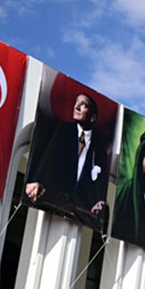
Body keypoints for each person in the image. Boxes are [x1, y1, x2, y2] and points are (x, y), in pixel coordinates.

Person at [24, 91, 108, 228]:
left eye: (83, 105)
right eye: (76, 102)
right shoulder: (61, 130)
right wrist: (34, 180)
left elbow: (100, 183)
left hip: (79, 212)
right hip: (49, 201)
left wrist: (98, 201)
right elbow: (47, 159)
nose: (77, 107)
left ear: (92, 118)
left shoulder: (99, 148)